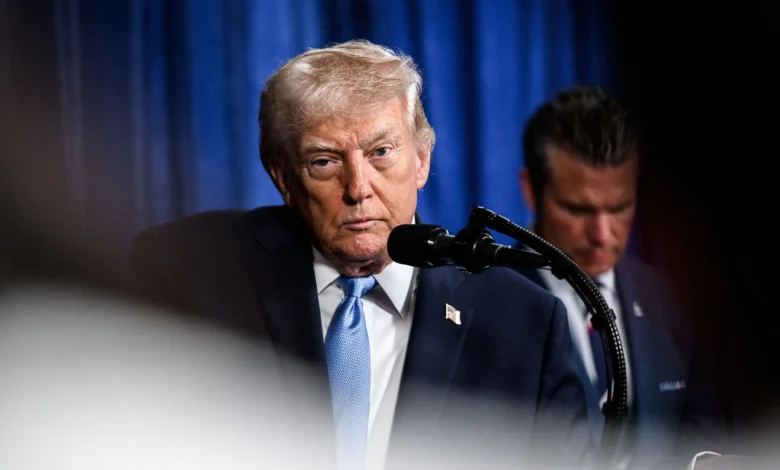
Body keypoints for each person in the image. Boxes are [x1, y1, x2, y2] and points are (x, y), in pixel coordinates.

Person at [130, 40, 591, 470]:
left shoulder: (526, 324)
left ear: (423, 159)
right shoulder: (186, 271)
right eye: (324, 161)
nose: (358, 189)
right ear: (283, 178)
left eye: (381, 152)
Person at [515, 86, 729, 468]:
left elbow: (704, 432)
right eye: (578, 209)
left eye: (620, 207)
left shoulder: (675, 301)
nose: (603, 234)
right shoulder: (484, 302)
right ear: (531, 190)